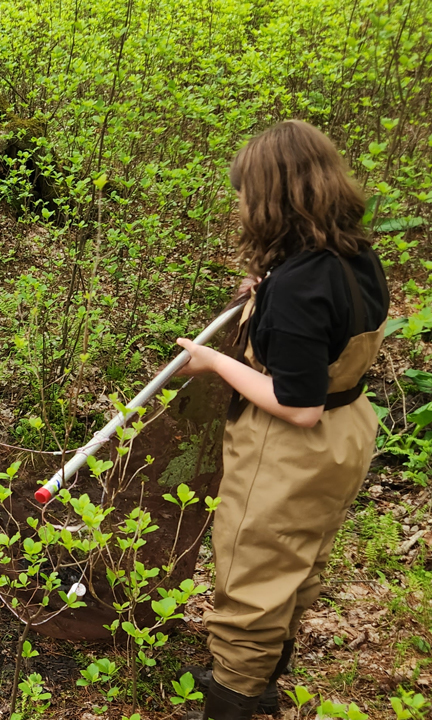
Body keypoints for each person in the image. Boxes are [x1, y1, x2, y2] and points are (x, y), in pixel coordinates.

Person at [175, 120, 389, 720]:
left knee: (254, 571)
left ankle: (234, 697)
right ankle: (256, 676)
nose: (240, 204)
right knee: (298, 562)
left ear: (274, 197)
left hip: (294, 446)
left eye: (245, 193)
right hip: (349, 434)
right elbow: (325, 331)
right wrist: (265, 294)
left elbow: (299, 404)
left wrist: (214, 360)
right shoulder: (352, 255)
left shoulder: (300, 284)